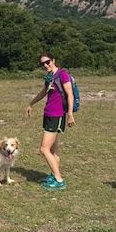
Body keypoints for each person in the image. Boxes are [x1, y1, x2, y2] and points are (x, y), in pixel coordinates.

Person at [25, 52, 75, 190]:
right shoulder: (49, 77)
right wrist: (31, 104)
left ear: (53, 60)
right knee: (52, 149)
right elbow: (43, 92)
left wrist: (70, 114)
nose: (45, 65)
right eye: (42, 64)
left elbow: (69, 94)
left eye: (47, 62)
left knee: (44, 149)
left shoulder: (62, 74)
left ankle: (59, 180)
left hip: (57, 115)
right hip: (48, 114)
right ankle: (54, 175)